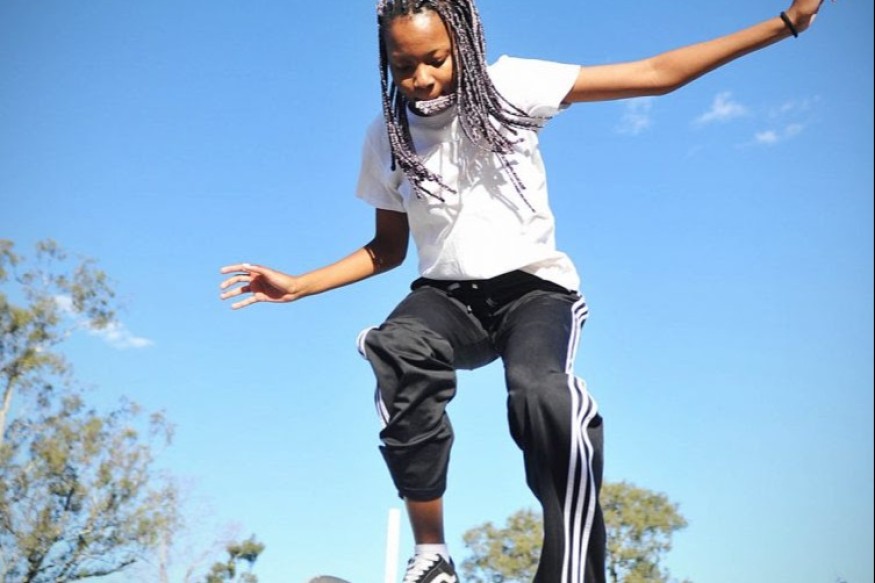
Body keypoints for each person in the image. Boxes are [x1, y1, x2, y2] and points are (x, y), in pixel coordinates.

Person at [219, 1, 829, 581]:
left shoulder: (511, 86)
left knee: (542, 394)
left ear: (464, 44)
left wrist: (785, 23)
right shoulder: (388, 136)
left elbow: (654, 74)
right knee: (396, 348)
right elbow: (388, 249)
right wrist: (299, 285)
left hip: (534, 292)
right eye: (404, 67)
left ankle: (570, 572)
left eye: (436, 59)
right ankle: (432, 556)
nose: (422, 79)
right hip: (447, 297)